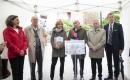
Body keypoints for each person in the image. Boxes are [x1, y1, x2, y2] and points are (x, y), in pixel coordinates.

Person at [3, 15, 27, 80]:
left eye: (18, 20)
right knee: (15, 72)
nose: (19, 21)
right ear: (11, 20)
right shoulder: (6, 31)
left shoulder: (20, 30)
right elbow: (9, 44)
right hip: (13, 55)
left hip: (22, 54)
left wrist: (23, 50)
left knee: (21, 71)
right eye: (17, 20)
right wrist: (19, 51)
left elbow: (25, 41)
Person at [24, 16, 47, 80]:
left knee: (40, 66)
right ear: (31, 20)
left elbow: (45, 36)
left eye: (36, 19)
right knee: (32, 66)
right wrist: (27, 45)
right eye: (34, 19)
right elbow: (24, 39)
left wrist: (44, 42)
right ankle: (33, 78)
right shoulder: (26, 29)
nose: (35, 20)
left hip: (40, 50)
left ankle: (40, 78)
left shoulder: (42, 28)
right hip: (32, 50)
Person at [104, 13, 124, 80]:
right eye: (109, 17)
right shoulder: (105, 26)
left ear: (114, 18)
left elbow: (121, 37)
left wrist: (121, 48)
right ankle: (110, 75)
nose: (111, 18)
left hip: (116, 47)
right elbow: (104, 37)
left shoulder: (118, 26)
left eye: (112, 17)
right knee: (109, 62)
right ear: (107, 18)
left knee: (116, 62)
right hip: (108, 47)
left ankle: (116, 75)